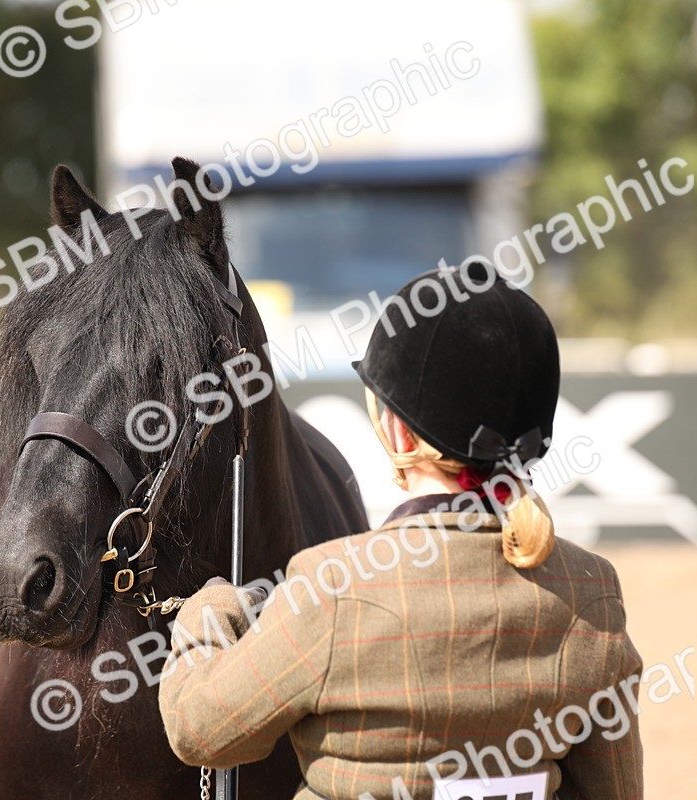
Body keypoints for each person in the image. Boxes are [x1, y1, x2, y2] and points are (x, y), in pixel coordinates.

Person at [157, 262, 644, 799]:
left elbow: (197, 727)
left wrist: (209, 613)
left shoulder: (330, 589)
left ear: (397, 430)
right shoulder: (591, 592)